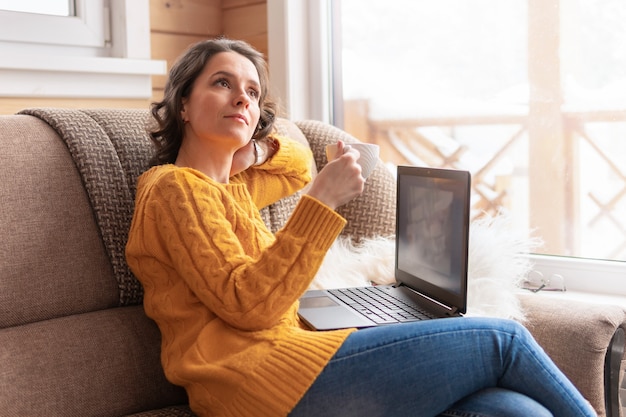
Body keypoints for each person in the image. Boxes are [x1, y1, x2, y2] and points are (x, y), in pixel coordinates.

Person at [125, 37, 597, 417]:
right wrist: (321, 201)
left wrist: (250, 151)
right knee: (503, 339)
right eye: (222, 84)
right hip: (257, 387)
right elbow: (250, 307)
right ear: (183, 103)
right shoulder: (174, 190)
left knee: (511, 409)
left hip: (296, 363)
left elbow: (296, 162)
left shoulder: (233, 189)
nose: (241, 98)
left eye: (252, 92)